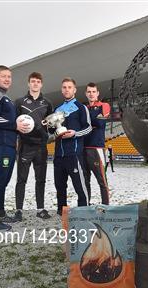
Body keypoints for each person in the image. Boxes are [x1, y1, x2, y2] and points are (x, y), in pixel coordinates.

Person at [0, 65, 30, 230]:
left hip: (9, 146)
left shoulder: (6, 98)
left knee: (3, 181)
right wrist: (14, 124)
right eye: (3, 76)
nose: (7, 79)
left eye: (9, 77)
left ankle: (0, 213)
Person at [14, 72, 53, 221]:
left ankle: (40, 209)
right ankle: (18, 211)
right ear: (28, 84)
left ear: (41, 84)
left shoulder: (47, 103)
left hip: (41, 147)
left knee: (40, 180)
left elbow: (51, 126)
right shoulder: (19, 102)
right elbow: (14, 123)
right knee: (21, 179)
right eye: (33, 81)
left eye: (38, 81)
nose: (35, 84)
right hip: (25, 146)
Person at [52, 78, 92, 215]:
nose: (66, 89)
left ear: (74, 90)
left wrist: (75, 133)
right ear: (61, 90)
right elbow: (53, 131)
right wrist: (50, 129)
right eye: (64, 87)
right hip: (58, 155)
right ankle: (61, 212)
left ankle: (83, 212)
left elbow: (88, 128)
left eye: (69, 87)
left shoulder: (81, 107)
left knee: (80, 187)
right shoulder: (57, 110)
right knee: (60, 187)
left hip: (74, 154)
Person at [83, 82, 111, 205]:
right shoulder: (83, 108)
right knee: (85, 181)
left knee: (102, 181)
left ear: (97, 93)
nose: (91, 94)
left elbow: (100, 123)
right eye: (89, 91)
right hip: (82, 148)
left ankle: (106, 207)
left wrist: (87, 122)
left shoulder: (104, 106)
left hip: (96, 148)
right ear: (86, 93)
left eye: (93, 91)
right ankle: (86, 206)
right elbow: (91, 123)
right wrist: (93, 121)